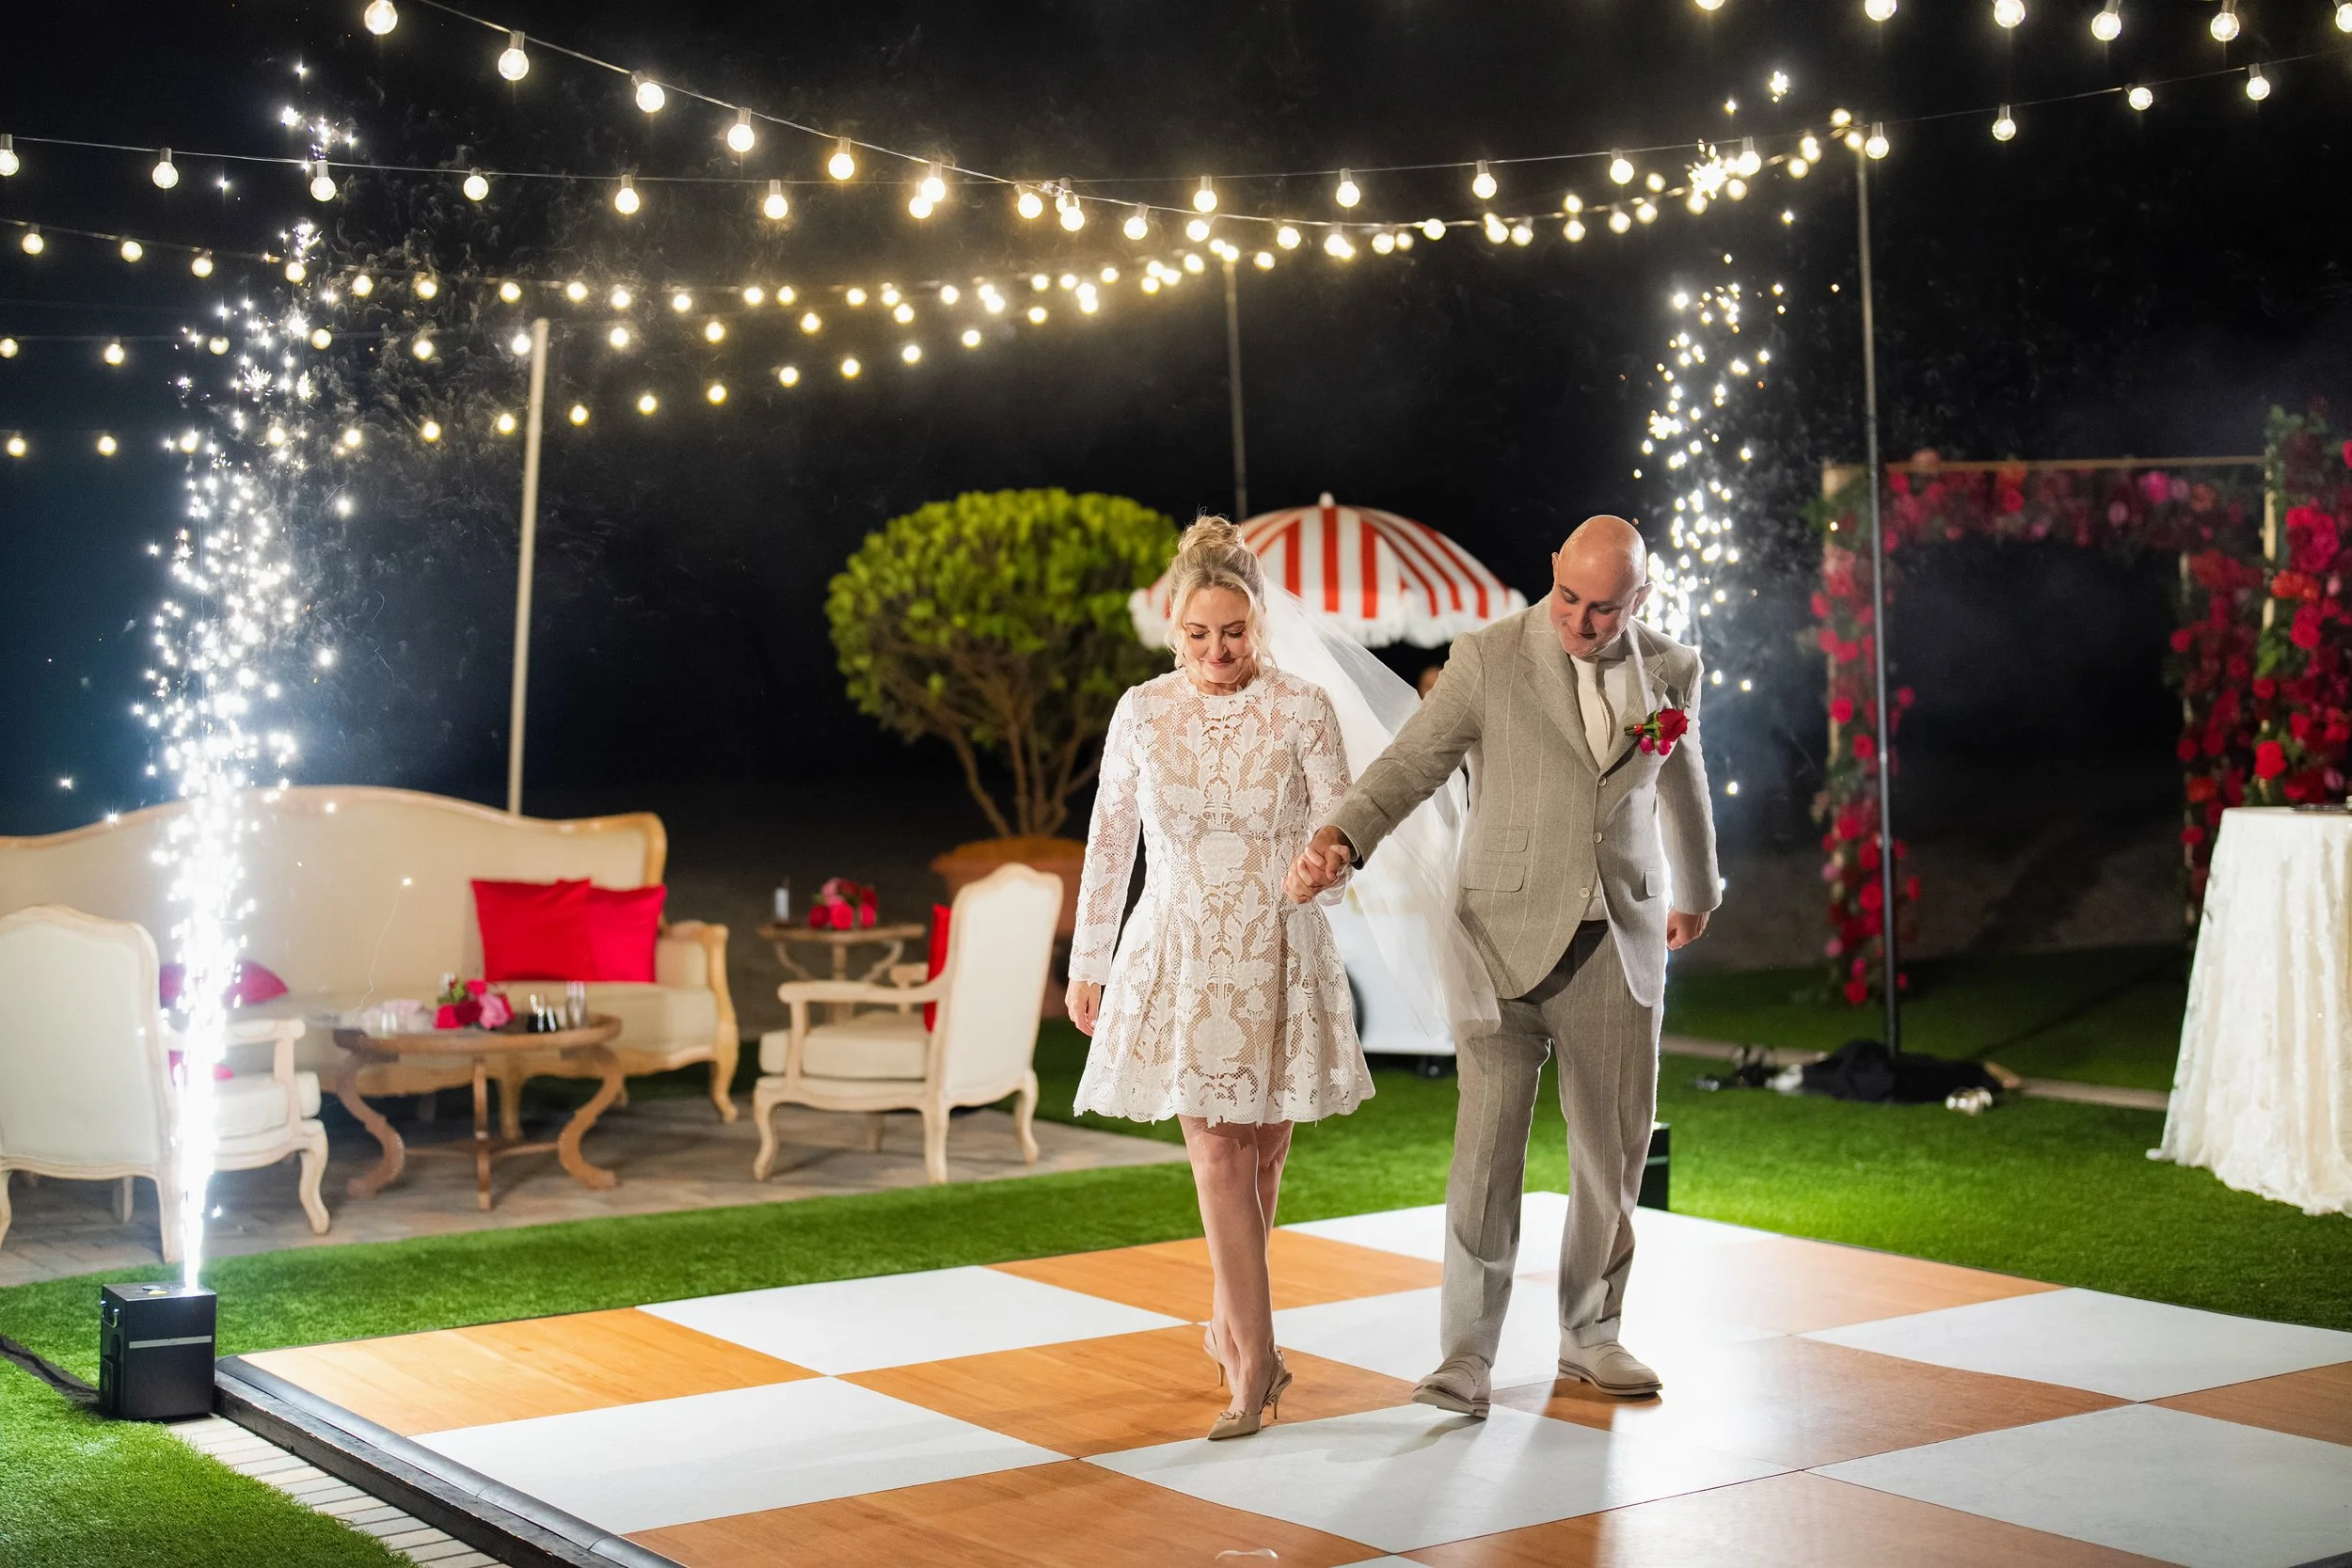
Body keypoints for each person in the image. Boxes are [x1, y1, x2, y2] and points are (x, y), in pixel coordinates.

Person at [1291, 515, 1721, 1415]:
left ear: (1639, 599)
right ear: (1552, 569)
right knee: (1486, 1153)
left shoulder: (1673, 668)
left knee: (1614, 1151)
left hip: (1619, 936)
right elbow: (1413, 761)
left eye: (1604, 608)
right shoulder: (1487, 656)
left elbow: (1682, 776)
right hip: (1499, 937)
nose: (1581, 621)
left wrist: (1697, 886)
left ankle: (1592, 1332)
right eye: (1568, 596)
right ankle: (1465, 1356)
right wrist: (1342, 837)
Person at [1067, 515, 1373, 1442]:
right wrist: (1088, 961)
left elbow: (1341, 832)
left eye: (1233, 631)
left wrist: (1324, 866)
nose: (1216, 650)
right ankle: (1256, 1359)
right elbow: (1111, 839)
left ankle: (1227, 1323)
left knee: (1263, 1151)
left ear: (1259, 621)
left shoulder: (1304, 707)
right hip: (1182, 949)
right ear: (1174, 626)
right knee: (1216, 1151)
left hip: (1278, 945)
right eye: (1198, 632)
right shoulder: (1141, 710)